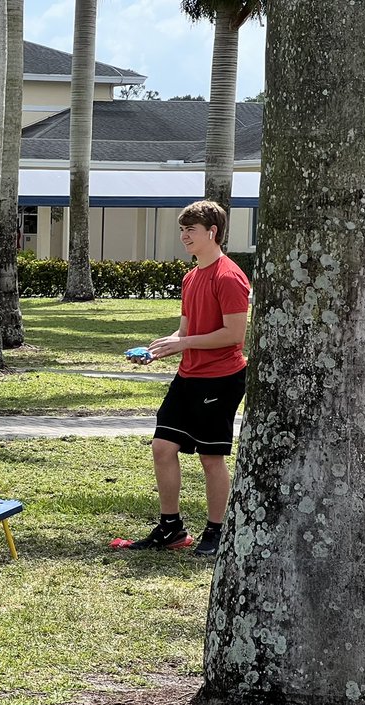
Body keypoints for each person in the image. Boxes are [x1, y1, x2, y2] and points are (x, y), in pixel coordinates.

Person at [123, 199, 250, 556]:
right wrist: (160, 350)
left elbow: (234, 334)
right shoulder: (191, 276)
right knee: (163, 448)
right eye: (181, 230)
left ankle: (216, 532)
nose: (184, 237)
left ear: (212, 232)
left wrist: (186, 342)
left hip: (221, 379)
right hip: (188, 376)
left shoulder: (229, 276)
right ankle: (171, 529)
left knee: (211, 458)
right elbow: (187, 331)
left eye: (190, 230)